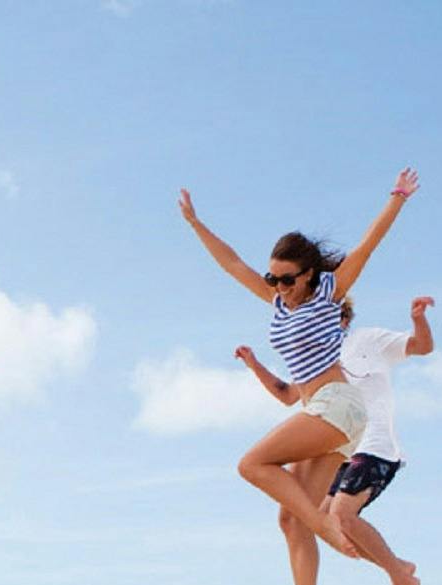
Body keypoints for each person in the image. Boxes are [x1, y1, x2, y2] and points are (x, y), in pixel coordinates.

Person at [179, 169, 420, 564]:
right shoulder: (276, 300)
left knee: (253, 464)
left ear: (309, 274)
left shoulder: (329, 294)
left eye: (288, 279)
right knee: (290, 521)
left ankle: (324, 525)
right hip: (321, 410)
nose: (279, 287)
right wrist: (195, 223)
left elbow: (368, 245)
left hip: (336, 403)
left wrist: (397, 197)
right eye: (273, 278)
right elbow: (233, 263)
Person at [236, 296, 430, 585]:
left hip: (373, 446)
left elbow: (421, 346)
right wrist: (254, 365)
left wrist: (418, 320)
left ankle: (399, 575)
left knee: (339, 516)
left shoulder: (369, 340)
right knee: (301, 520)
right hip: (334, 446)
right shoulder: (315, 359)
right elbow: (287, 395)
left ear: (338, 317)